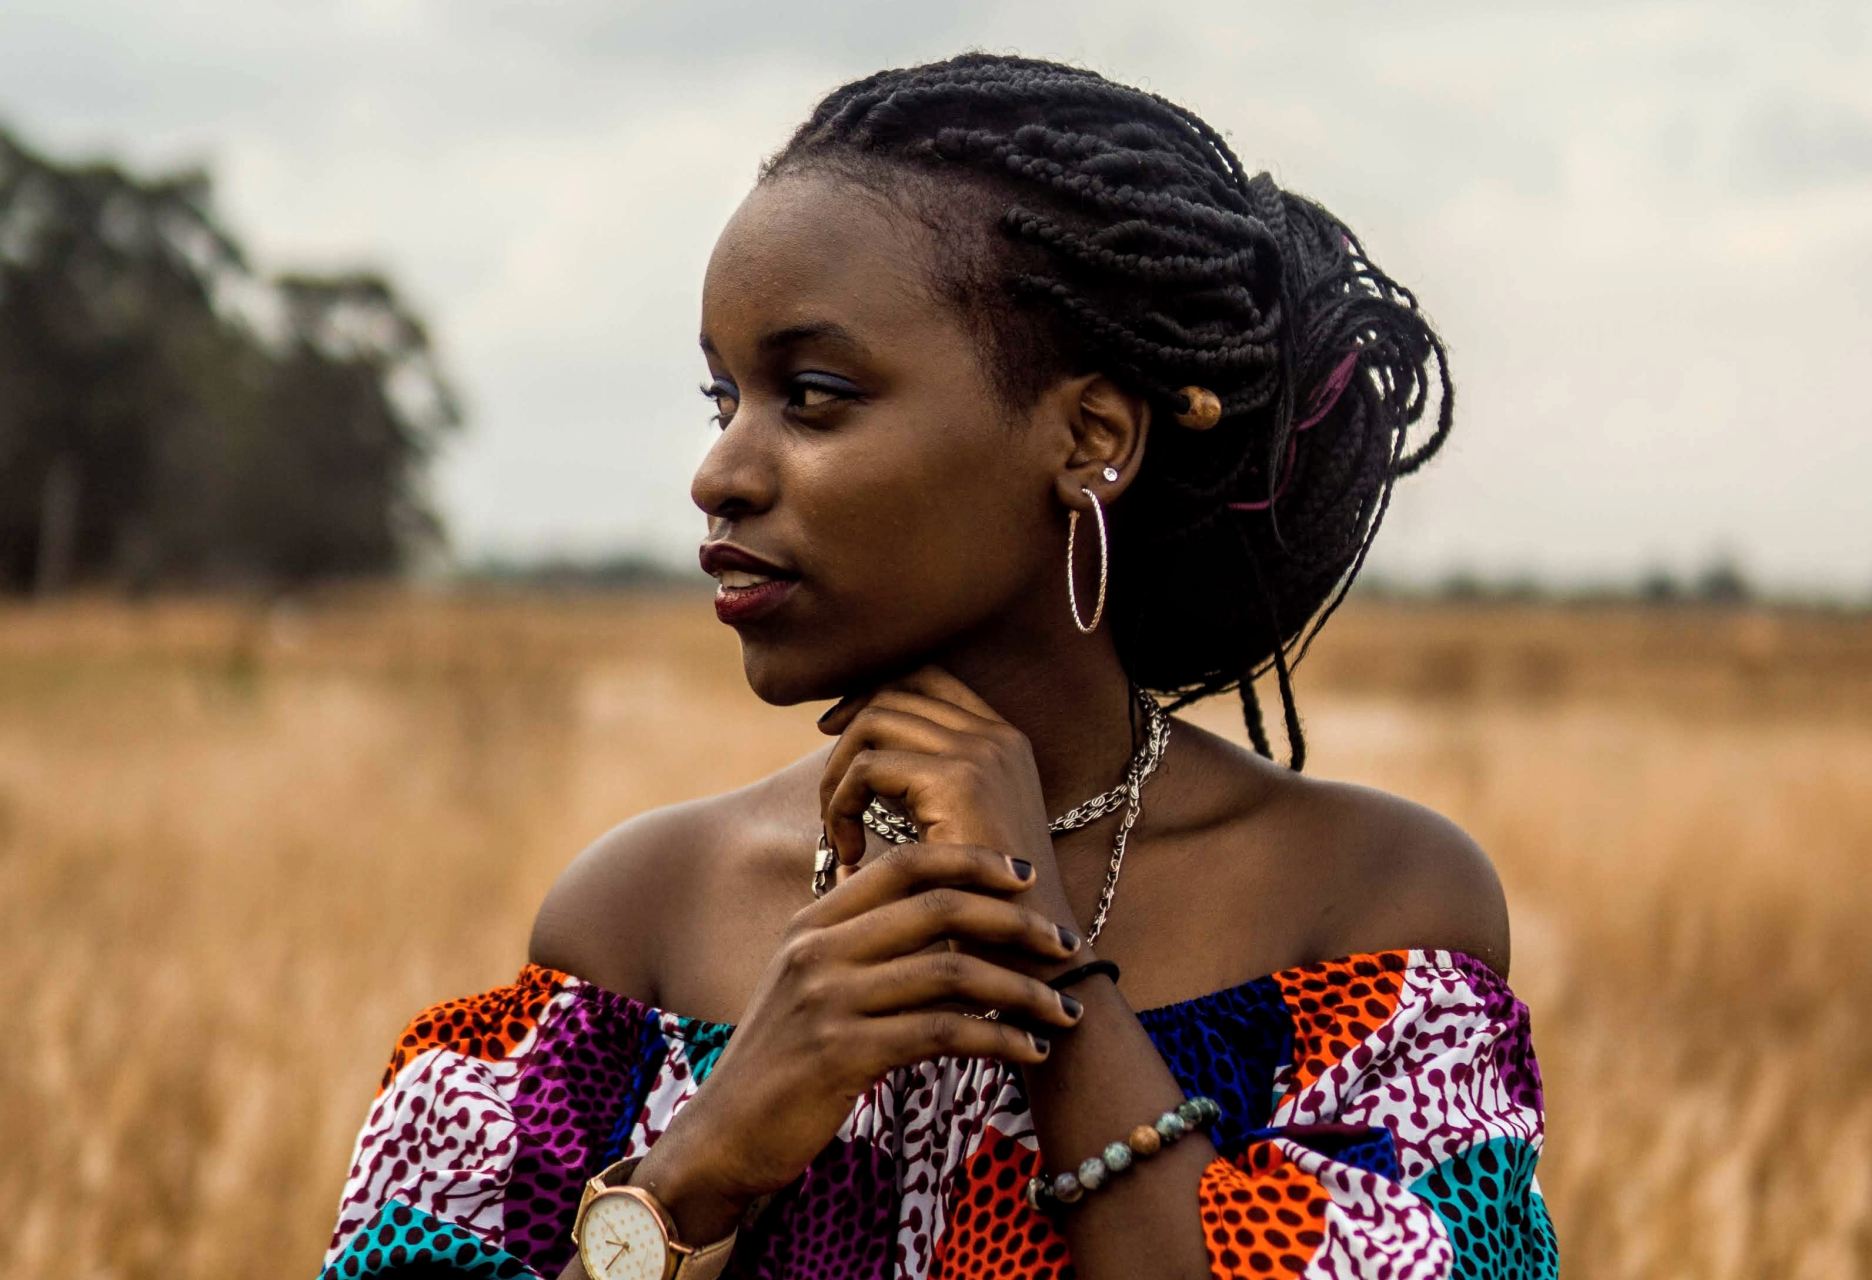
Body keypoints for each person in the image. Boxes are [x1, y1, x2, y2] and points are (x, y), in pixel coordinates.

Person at [318, 51, 1557, 1280]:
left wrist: (1046, 960)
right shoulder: (642, 918)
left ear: (1090, 437)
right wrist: (711, 1152)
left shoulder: (1363, 911)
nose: (721, 472)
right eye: (723, 398)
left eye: (812, 394)